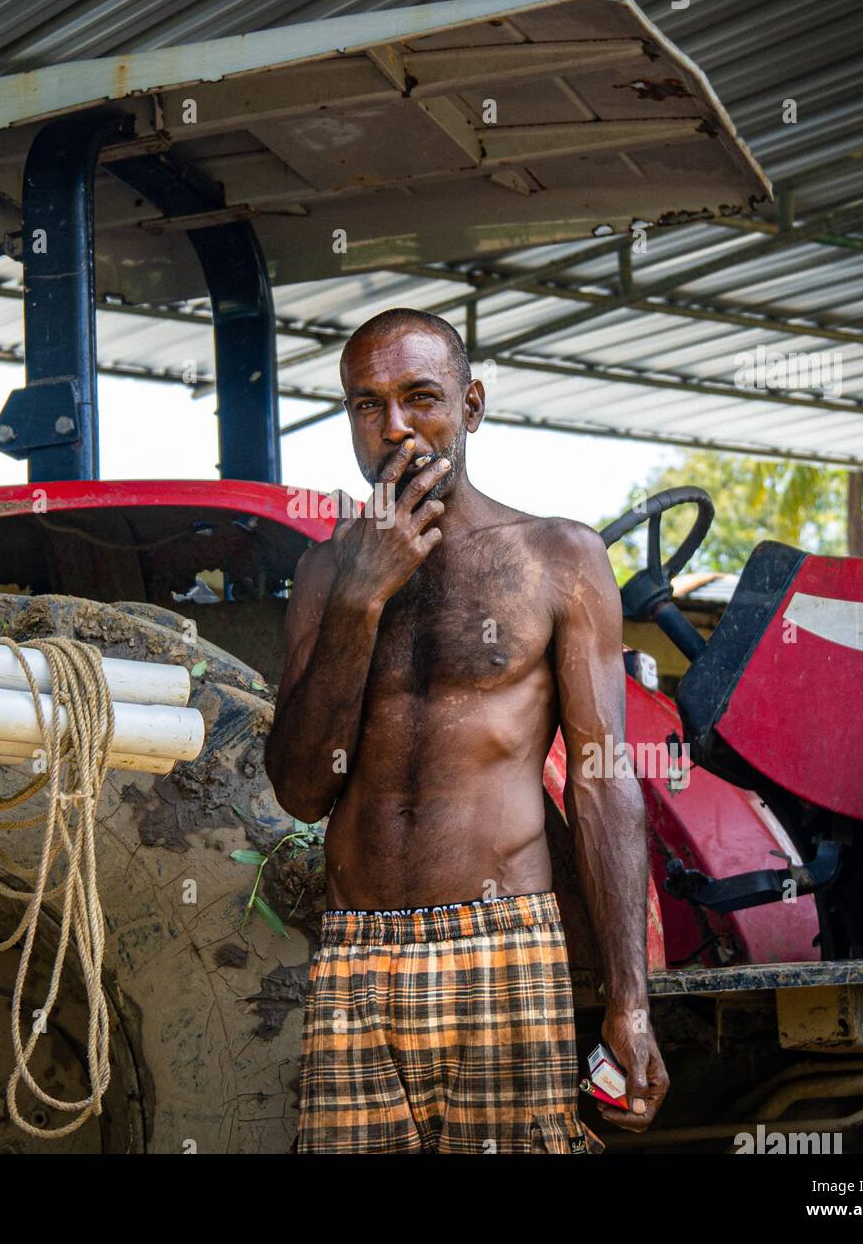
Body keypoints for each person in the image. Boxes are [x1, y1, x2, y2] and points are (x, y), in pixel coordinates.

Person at [264, 306, 668, 1154]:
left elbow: (602, 781)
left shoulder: (559, 558)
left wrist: (629, 1003)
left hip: (503, 941)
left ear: (473, 404)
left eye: (421, 397)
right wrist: (359, 599)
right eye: (367, 406)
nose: (396, 428)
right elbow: (301, 789)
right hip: (355, 951)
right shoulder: (324, 573)